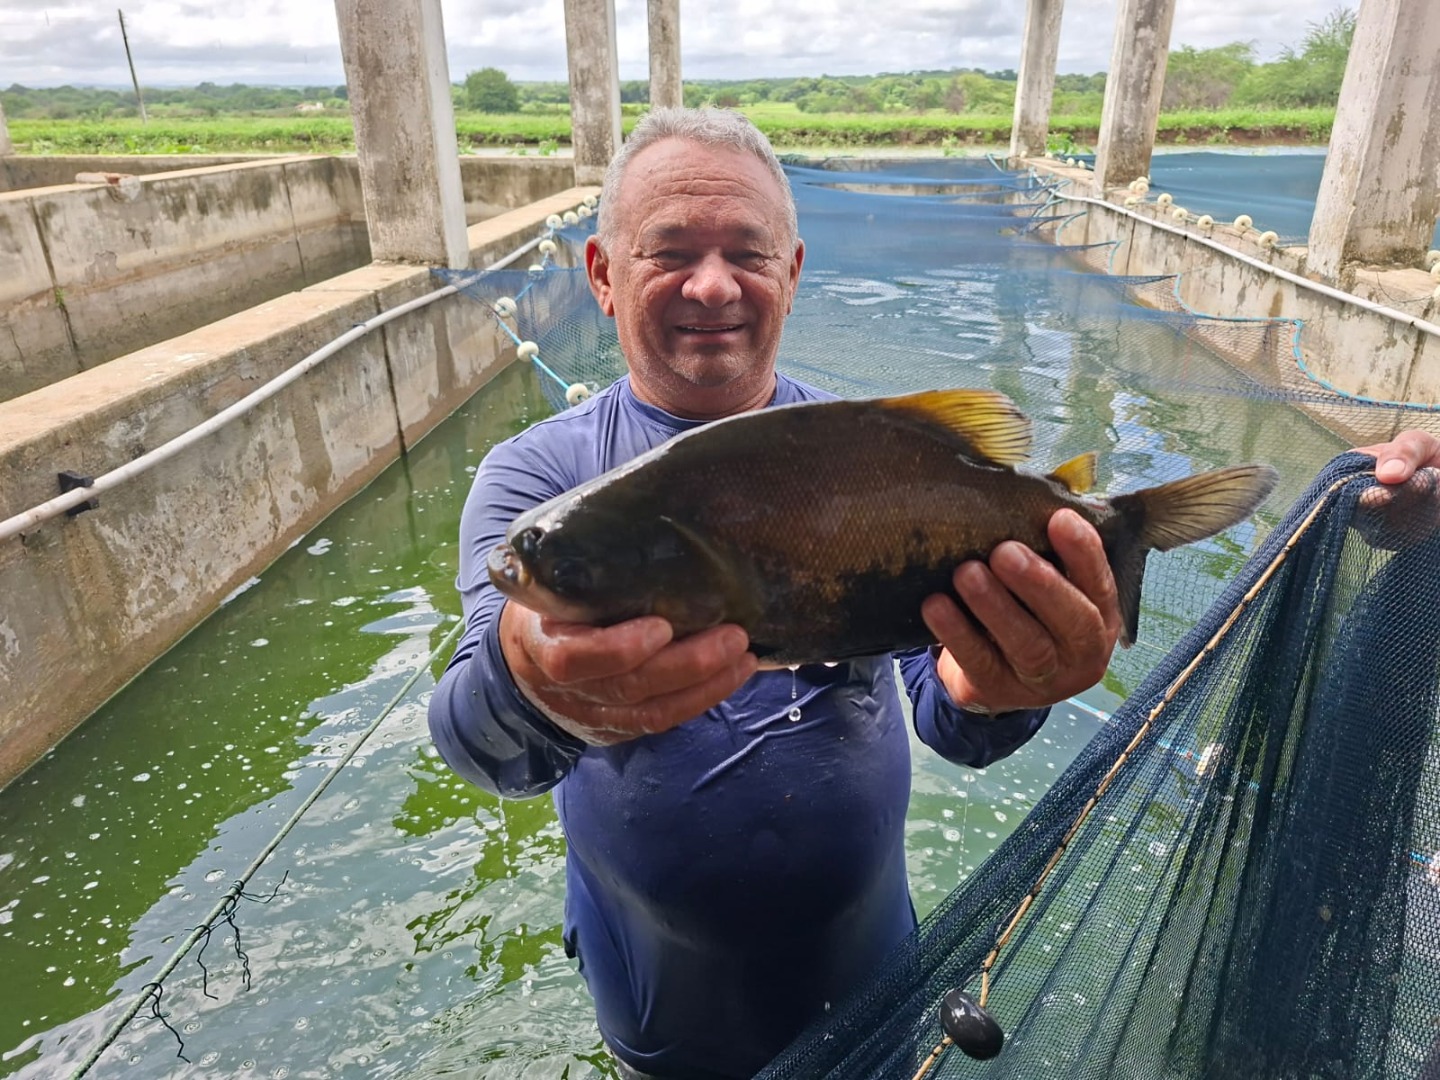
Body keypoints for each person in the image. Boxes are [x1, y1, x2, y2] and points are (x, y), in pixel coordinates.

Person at [427, 107, 1439, 1080]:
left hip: (875, 994)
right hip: (656, 1023)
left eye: (746, 252)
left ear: (792, 272)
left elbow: (952, 720)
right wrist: (527, 678)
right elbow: (481, 744)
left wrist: (1008, 685)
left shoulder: (861, 447)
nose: (712, 285)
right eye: (668, 250)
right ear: (602, 275)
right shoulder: (536, 488)